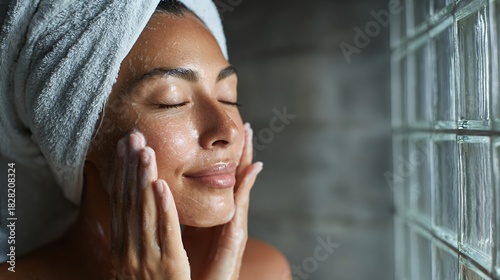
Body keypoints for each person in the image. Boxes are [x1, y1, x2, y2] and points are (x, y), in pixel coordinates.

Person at [0, 1, 290, 279]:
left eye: (228, 97)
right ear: (72, 130)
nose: (228, 131)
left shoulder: (264, 271)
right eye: (172, 101)